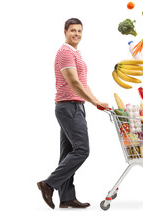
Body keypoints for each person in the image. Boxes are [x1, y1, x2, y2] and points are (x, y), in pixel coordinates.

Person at [37, 18, 109, 209]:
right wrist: (94, 103)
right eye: (72, 31)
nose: (76, 34)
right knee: (82, 150)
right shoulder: (65, 53)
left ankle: (67, 197)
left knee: (68, 153)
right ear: (65, 32)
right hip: (68, 107)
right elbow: (74, 83)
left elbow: (83, 83)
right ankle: (49, 184)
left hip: (75, 106)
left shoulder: (75, 53)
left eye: (79, 31)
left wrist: (97, 101)